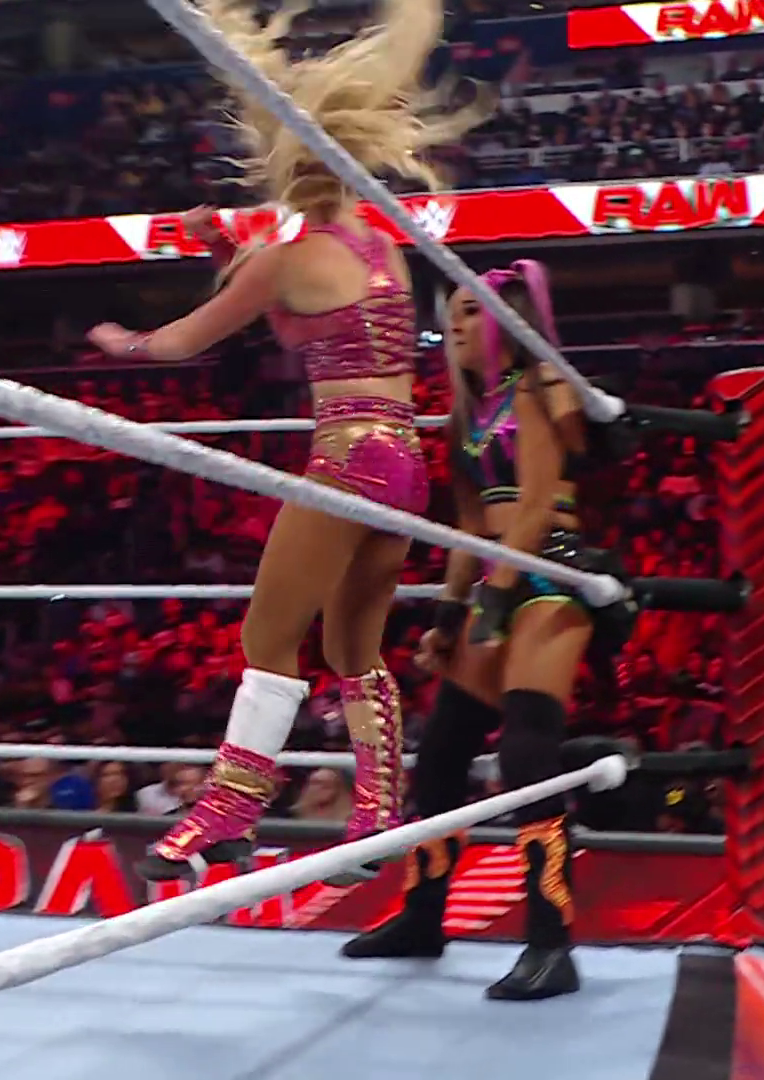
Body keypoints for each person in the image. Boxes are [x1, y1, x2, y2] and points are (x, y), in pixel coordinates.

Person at [84, 0, 483, 882]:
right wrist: (223, 245)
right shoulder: (378, 249)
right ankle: (376, 817)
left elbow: (184, 341)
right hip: (403, 459)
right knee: (354, 652)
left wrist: (124, 343)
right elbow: (301, 296)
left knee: (267, 638)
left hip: (346, 456)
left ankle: (229, 809)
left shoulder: (284, 258)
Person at [339, 263, 620, 1001]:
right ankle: (422, 917)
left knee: (527, 751)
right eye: (452, 313)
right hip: (497, 574)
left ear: (507, 318)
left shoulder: (542, 386)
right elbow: (471, 524)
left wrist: (490, 604)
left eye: (471, 310)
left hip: (550, 573)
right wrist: (449, 613)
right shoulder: (467, 412)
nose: (456, 325)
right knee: (440, 755)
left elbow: (534, 506)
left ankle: (551, 944)